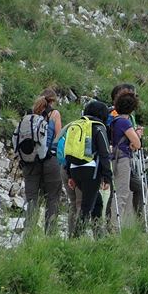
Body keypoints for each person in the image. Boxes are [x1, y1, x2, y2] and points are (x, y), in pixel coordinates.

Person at [62, 99, 113, 237]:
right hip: (91, 170)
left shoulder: (76, 125)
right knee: (86, 207)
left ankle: (99, 237)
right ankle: (76, 239)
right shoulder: (98, 127)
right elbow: (104, 154)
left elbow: (68, 151)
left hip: (74, 168)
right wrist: (107, 177)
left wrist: (70, 175)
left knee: (97, 202)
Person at [22, 88, 63, 235]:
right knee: (52, 198)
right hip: (50, 161)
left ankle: (29, 233)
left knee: (32, 198)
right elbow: (58, 137)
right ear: (52, 100)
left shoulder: (29, 115)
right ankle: (50, 234)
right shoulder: (54, 114)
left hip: (30, 161)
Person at [108, 84, 145, 219]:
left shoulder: (115, 121)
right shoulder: (125, 122)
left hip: (115, 156)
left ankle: (113, 222)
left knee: (118, 191)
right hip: (123, 159)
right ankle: (115, 225)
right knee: (122, 192)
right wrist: (138, 135)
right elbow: (137, 143)